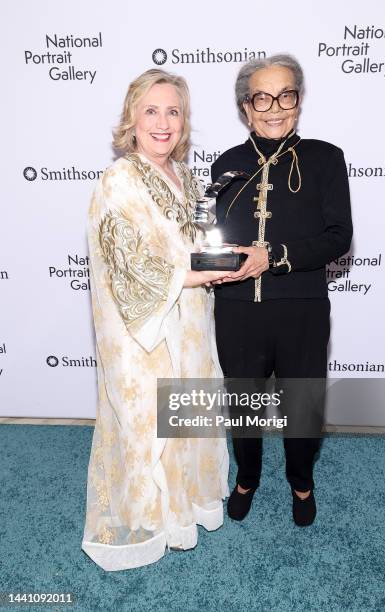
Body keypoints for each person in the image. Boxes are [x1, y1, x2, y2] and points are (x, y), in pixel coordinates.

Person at [82, 69, 229, 571]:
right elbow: (126, 264)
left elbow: (192, 247)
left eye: (173, 111)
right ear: (132, 119)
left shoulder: (184, 177)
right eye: (151, 111)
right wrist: (192, 274)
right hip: (143, 332)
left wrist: (216, 265)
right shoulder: (118, 180)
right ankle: (152, 522)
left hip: (188, 321)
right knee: (150, 427)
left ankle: (184, 510)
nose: (163, 123)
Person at [212, 54, 352, 526]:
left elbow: (338, 236)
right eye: (261, 97)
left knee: (303, 406)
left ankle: (301, 481)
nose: (274, 107)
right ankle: (246, 477)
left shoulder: (326, 158)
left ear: (299, 100)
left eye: (285, 95)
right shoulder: (226, 164)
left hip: (302, 308)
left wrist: (275, 255)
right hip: (236, 310)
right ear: (245, 107)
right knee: (243, 406)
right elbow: (211, 239)